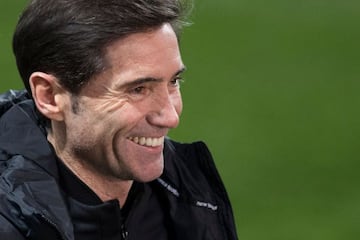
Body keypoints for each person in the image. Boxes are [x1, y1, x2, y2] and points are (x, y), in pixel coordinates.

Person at [0, 0, 238, 239]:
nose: (170, 117)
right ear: (50, 96)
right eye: (138, 89)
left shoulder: (188, 192)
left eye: (173, 82)